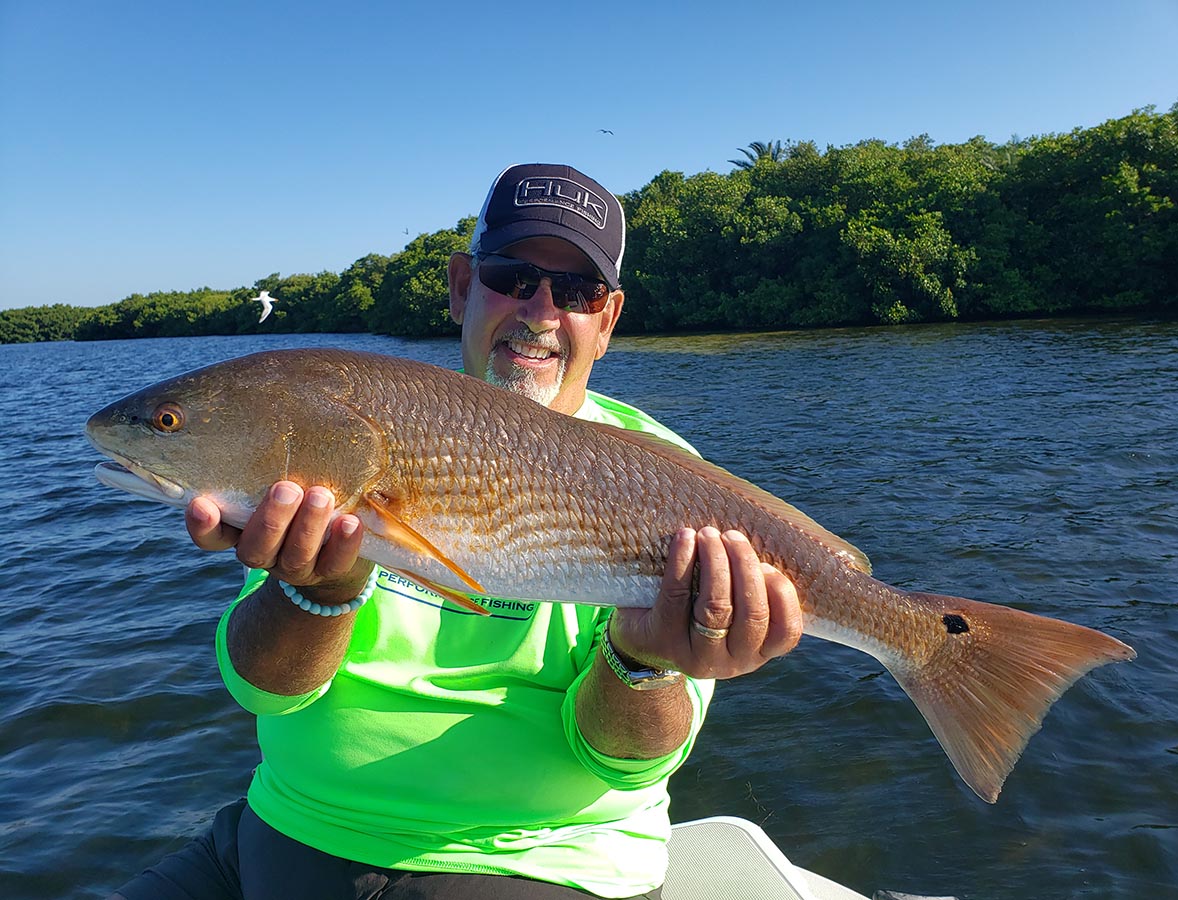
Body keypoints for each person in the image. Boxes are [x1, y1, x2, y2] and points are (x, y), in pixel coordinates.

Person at [111, 164, 803, 900]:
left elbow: (622, 761)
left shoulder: (674, 485)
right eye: (512, 275)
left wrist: (643, 662)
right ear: (462, 287)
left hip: (537, 861)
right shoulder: (324, 441)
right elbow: (268, 692)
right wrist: (320, 590)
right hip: (283, 828)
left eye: (576, 292)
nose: (540, 309)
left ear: (607, 320)